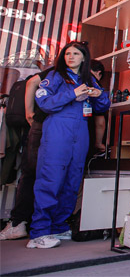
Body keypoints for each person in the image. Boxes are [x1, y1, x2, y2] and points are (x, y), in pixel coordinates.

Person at [28, 41, 109, 249]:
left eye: (75, 54)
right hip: (58, 130)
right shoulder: (56, 76)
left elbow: (103, 106)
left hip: (80, 132)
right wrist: (72, 94)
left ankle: (58, 225)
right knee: (51, 179)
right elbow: (44, 102)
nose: (70, 57)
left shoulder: (88, 78)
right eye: (67, 53)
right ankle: (39, 232)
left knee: (72, 181)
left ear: (84, 58)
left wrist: (99, 95)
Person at [0, 64, 55, 241]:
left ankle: (23, 222)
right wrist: (29, 112)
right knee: (33, 172)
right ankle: (19, 222)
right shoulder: (59, 70)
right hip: (43, 125)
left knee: (36, 173)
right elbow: (32, 82)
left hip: (47, 126)